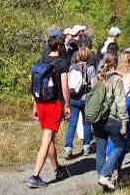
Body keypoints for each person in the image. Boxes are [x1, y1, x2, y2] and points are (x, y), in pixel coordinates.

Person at [28, 38, 71, 188]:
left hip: (41, 102)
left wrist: (34, 105)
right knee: (46, 139)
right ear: (59, 47)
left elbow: (34, 84)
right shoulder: (62, 62)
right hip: (54, 103)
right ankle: (35, 176)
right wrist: (67, 105)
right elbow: (65, 87)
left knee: (50, 137)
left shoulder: (42, 59)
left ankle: (57, 169)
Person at [105, 50, 130, 181]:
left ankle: (108, 163)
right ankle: (117, 166)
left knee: (112, 136)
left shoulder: (112, 74)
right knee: (124, 138)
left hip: (112, 107)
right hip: (126, 106)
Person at [93, 51, 127, 190]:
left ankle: (103, 181)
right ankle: (105, 175)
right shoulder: (117, 79)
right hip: (112, 118)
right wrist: (124, 121)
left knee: (100, 150)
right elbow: (120, 102)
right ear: (116, 62)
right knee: (119, 146)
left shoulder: (98, 77)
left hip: (98, 119)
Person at [64, 46, 96, 159]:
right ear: (88, 56)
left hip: (73, 99)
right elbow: (94, 85)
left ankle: (68, 148)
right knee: (86, 123)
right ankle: (86, 146)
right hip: (86, 99)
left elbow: (68, 83)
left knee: (72, 124)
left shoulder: (72, 67)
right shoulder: (91, 68)